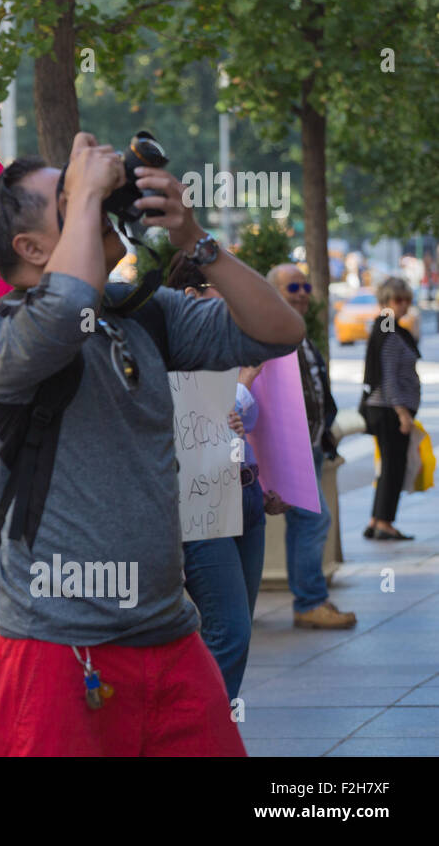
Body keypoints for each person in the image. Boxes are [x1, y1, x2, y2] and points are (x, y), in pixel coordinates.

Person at [0, 134, 305, 756]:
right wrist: (90, 188)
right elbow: (65, 308)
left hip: (169, 637)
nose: (90, 201)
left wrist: (194, 241)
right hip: (58, 649)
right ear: (31, 248)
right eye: (66, 199)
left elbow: (280, 330)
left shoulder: (146, 316)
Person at [165, 253, 268, 700]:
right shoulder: (174, 349)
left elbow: (244, 421)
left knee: (235, 628)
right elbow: (201, 422)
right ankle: (199, 738)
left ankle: (208, 732)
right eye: (223, 291)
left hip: (244, 493)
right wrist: (243, 385)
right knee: (230, 632)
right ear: (192, 295)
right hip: (202, 501)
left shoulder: (224, 346)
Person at [267, 264, 357, 629]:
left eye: (305, 285)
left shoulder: (297, 332)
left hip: (311, 446)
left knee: (307, 522)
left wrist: (325, 436)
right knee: (314, 520)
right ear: (272, 291)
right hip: (291, 449)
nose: (303, 292)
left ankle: (309, 601)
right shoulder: (270, 332)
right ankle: (309, 602)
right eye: (293, 287)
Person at [361, 276, 421, 541]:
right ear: (386, 301)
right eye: (399, 300)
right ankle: (384, 521)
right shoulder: (387, 327)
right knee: (393, 466)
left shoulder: (388, 326)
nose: (405, 305)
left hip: (384, 407)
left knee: (389, 465)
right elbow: (389, 375)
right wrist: (402, 412)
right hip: (388, 409)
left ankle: (377, 519)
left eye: (408, 299)